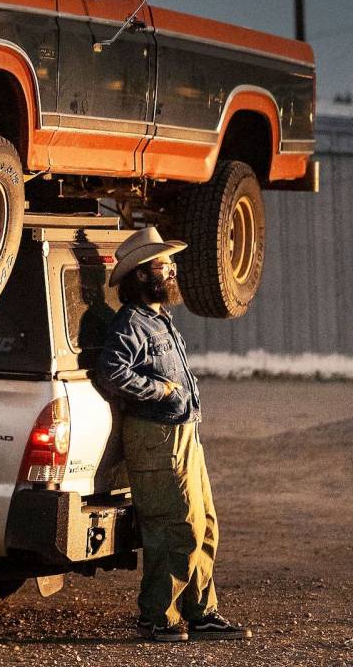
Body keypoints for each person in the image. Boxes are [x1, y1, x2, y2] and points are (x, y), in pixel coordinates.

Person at [95, 227, 251, 643]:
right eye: (165, 266)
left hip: (183, 434)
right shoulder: (130, 323)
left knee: (206, 525)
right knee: (175, 526)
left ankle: (201, 613)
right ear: (142, 275)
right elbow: (111, 371)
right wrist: (159, 390)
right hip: (157, 437)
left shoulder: (157, 319)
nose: (173, 271)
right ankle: (158, 617)